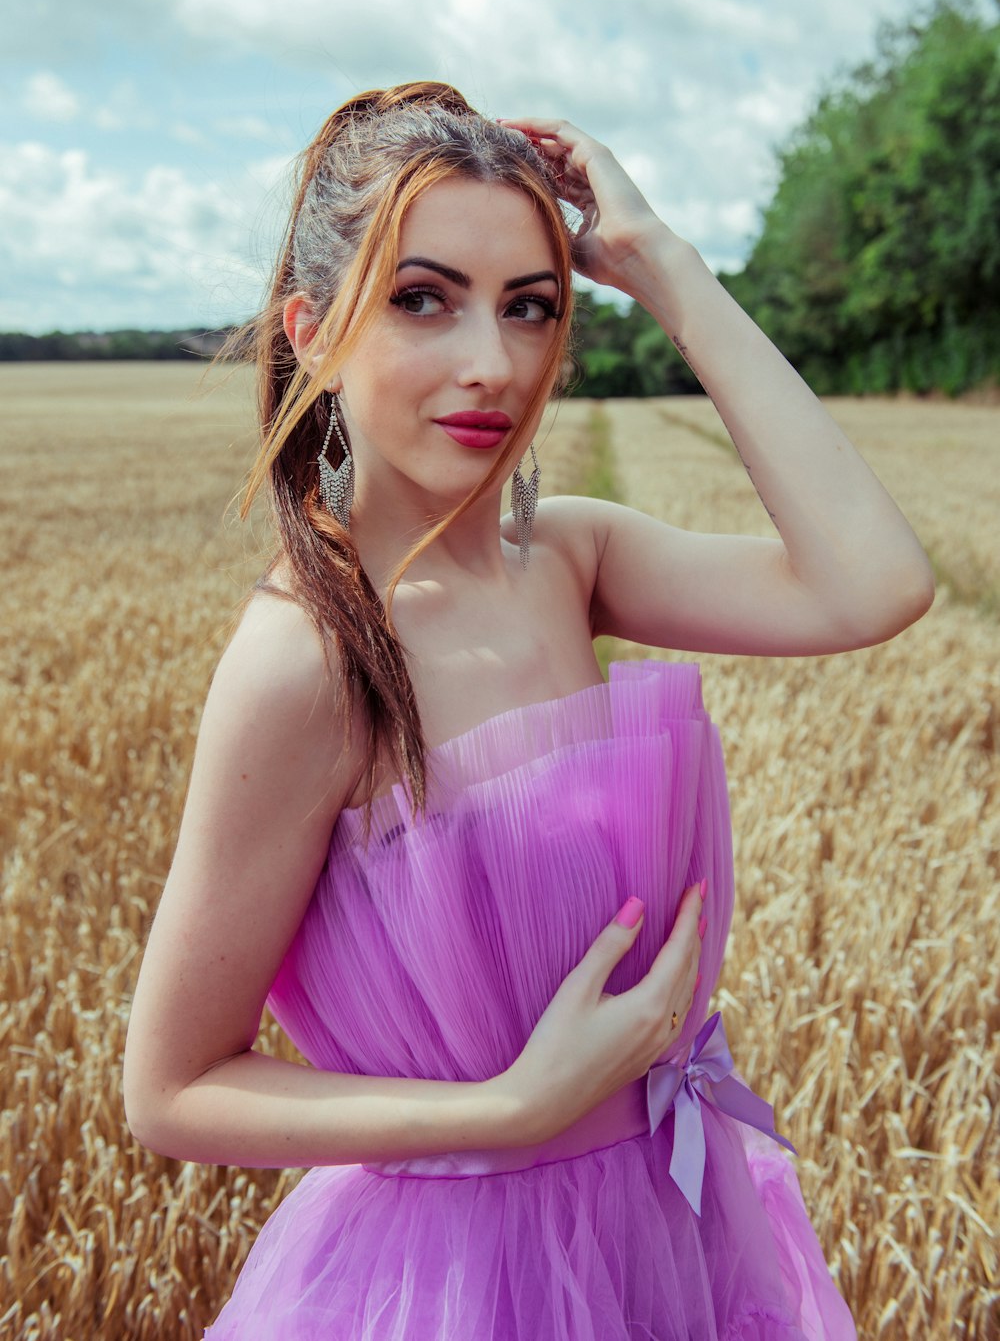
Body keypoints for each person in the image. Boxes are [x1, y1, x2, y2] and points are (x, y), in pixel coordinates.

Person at [122, 81, 934, 1339]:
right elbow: (171, 1089)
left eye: (531, 308)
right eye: (421, 298)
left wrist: (666, 271)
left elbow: (870, 583)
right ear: (314, 328)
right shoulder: (309, 660)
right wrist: (508, 1108)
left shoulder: (569, 559)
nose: (491, 365)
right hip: (454, 1279)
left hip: (675, 1224)